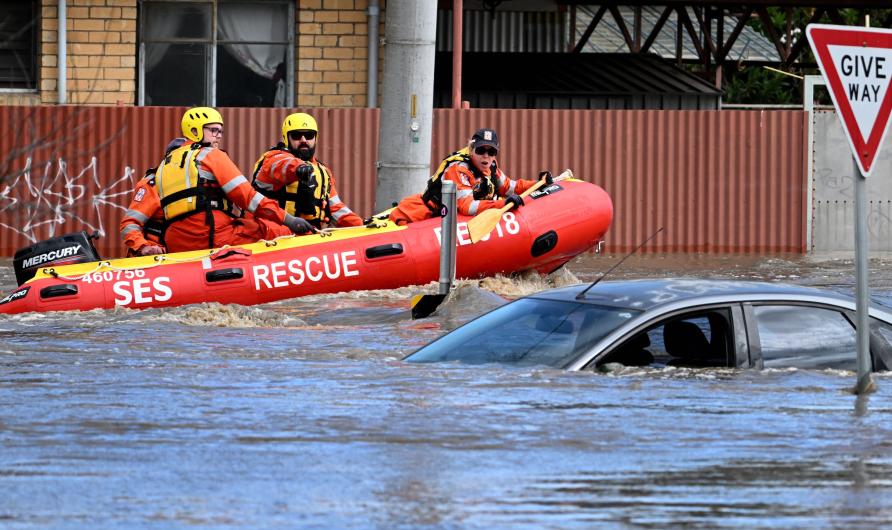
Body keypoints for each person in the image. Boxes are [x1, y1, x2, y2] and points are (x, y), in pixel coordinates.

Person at [119, 107, 313, 255]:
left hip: (176, 242)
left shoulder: (160, 171)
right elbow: (248, 197)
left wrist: (142, 246)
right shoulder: (211, 156)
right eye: (213, 131)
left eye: (220, 131)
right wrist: (290, 220)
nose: (218, 136)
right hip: (211, 234)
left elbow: (129, 222)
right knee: (277, 230)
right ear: (195, 130)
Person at [388, 128, 552, 225]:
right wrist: (502, 204)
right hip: (422, 215)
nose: (486, 156)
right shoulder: (459, 169)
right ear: (471, 150)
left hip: (447, 219)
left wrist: (540, 183)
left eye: (491, 152)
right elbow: (467, 206)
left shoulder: (491, 168)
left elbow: (510, 187)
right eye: (481, 151)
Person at [251, 112, 363, 229]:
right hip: (272, 236)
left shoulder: (323, 172)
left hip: (309, 237)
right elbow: (283, 165)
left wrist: (361, 225)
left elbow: (336, 208)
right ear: (286, 138)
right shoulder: (273, 158)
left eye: (309, 135)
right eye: (296, 136)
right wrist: (299, 168)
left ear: (315, 138)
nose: (303, 140)